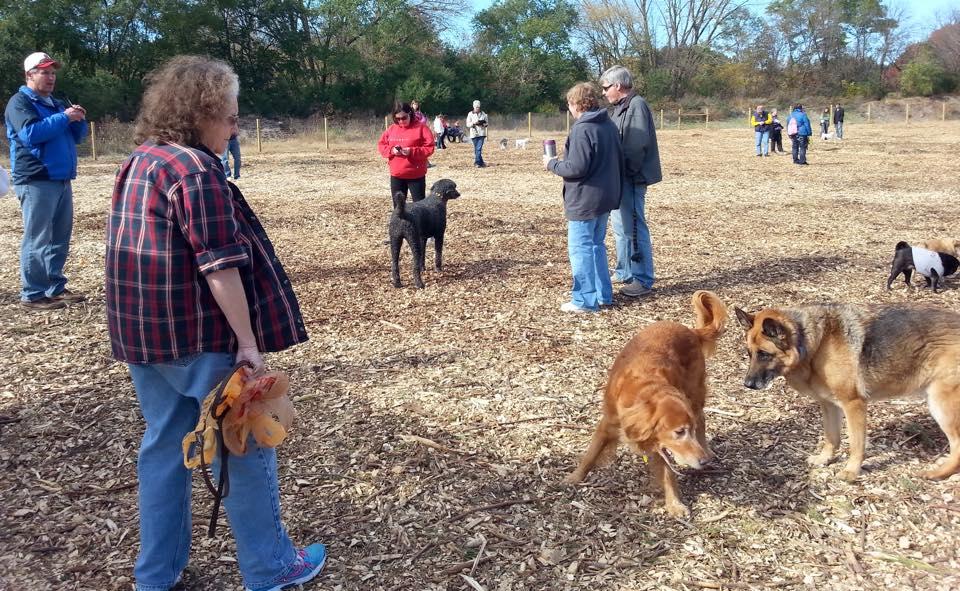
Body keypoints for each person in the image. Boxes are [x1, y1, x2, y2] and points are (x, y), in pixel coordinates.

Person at [105, 55, 324, 591]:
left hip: (142, 337)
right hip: (199, 337)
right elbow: (220, 266)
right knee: (242, 446)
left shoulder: (141, 160)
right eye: (229, 116)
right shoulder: (196, 170)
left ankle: (156, 575)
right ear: (200, 112)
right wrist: (247, 344)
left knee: (164, 445)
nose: (235, 128)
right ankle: (271, 567)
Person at [4, 52, 88, 310]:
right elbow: (31, 134)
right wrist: (65, 117)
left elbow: (77, 137)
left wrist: (78, 119)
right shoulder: (19, 102)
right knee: (38, 237)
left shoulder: (55, 103)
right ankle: (33, 294)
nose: (51, 77)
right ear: (29, 75)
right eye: (44, 72)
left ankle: (54, 287)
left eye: (53, 73)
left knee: (59, 237)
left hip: (60, 178)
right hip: (35, 178)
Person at [544, 82, 622, 313]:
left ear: (576, 104)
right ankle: (603, 294)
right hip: (605, 196)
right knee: (596, 245)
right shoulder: (608, 124)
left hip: (585, 199)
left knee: (581, 249)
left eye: (569, 104)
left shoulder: (582, 129)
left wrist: (552, 164)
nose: (569, 108)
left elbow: (576, 168)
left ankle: (584, 300)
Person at [599, 65, 662, 299]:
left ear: (617, 85)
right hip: (621, 178)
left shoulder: (636, 105)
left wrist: (625, 173)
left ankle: (642, 279)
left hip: (631, 178)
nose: (604, 92)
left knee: (634, 228)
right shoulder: (620, 108)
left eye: (606, 87)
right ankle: (624, 270)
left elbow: (636, 145)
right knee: (620, 227)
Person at [377, 102, 435, 202]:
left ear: (410, 114)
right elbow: (382, 145)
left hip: (416, 174)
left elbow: (429, 148)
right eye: (397, 119)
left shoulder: (421, 128)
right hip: (397, 174)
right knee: (398, 206)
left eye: (404, 118)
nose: (401, 121)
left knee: (419, 206)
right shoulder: (391, 129)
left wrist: (411, 151)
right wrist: (392, 150)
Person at [466, 100, 488, 168]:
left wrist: (483, 124)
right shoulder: (470, 114)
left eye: (478, 107)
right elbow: (467, 124)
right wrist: (474, 123)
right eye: (476, 107)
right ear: (473, 107)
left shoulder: (483, 114)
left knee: (478, 149)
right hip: (474, 134)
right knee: (476, 149)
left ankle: (477, 163)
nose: (477, 108)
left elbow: (487, 123)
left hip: (482, 133)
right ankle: (481, 162)